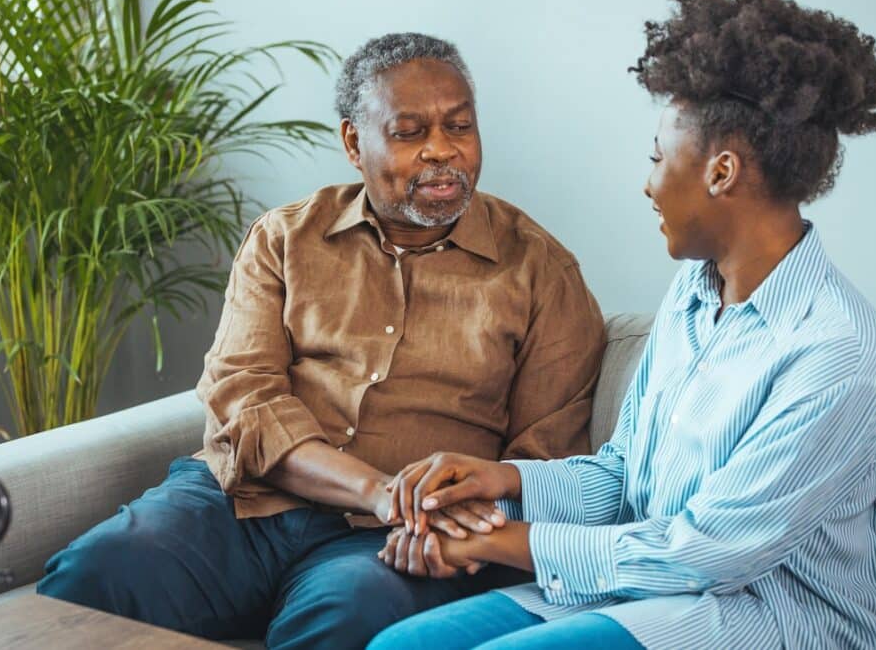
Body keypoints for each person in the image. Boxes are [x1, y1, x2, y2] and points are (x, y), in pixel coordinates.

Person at [370, 0, 876, 650]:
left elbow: (705, 553)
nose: (648, 182)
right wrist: (499, 480)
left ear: (722, 172)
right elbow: (626, 474)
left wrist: (497, 540)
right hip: (644, 590)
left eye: (658, 156)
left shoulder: (838, 356)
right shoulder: (691, 291)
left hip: (772, 621)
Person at [36, 32, 606, 649]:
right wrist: (374, 488)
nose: (443, 151)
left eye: (460, 127)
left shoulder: (541, 271)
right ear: (354, 143)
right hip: (243, 505)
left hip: (399, 538)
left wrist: (457, 526)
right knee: (93, 576)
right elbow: (245, 401)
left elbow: (543, 464)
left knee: (344, 620)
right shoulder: (284, 240)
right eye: (410, 132)